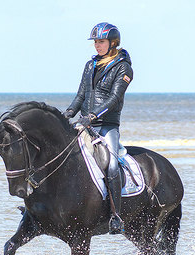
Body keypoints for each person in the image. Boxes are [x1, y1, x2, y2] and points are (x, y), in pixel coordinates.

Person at [63, 22, 133, 234]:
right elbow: (81, 96)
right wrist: (67, 114)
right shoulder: (90, 65)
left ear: (113, 43)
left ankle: (116, 216)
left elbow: (114, 98)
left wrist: (93, 115)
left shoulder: (123, 67)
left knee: (111, 165)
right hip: (85, 123)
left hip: (106, 126)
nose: (97, 45)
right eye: (95, 42)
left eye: (101, 42)